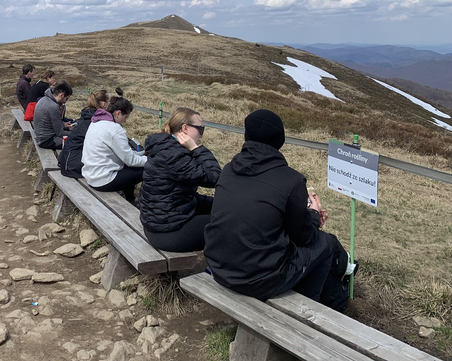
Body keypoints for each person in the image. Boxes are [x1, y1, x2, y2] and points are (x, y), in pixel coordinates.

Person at [204, 109, 355, 310]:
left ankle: (339, 276)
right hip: (258, 281)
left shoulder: (229, 169)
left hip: (219, 268)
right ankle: (307, 310)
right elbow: (304, 238)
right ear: (280, 140)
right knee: (325, 243)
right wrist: (313, 215)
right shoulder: (291, 180)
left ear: (247, 135)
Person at [139, 107, 221, 252]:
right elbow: (215, 178)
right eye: (200, 129)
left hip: (160, 223)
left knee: (223, 208)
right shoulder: (174, 155)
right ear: (185, 129)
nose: (201, 135)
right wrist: (196, 149)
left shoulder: (165, 147)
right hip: (169, 232)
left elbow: (178, 194)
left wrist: (221, 203)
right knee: (231, 223)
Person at [81, 91, 147, 203]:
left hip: (91, 175)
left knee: (131, 169)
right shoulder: (115, 129)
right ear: (118, 113)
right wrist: (151, 160)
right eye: (126, 116)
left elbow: (122, 154)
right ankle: (141, 202)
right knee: (146, 168)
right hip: (103, 180)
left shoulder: (96, 122)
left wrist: (141, 154)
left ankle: (130, 199)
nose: (126, 120)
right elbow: (130, 160)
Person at [58, 88, 115, 179]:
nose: (113, 104)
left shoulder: (88, 116)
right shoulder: (96, 120)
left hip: (69, 160)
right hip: (73, 165)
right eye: (110, 102)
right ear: (104, 104)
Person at [33, 80, 73, 149]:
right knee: (77, 143)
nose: (65, 102)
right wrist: (77, 134)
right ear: (61, 95)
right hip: (46, 140)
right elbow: (60, 133)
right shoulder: (53, 107)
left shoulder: (44, 99)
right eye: (66, 99)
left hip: (41, 136)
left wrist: (63, 125)